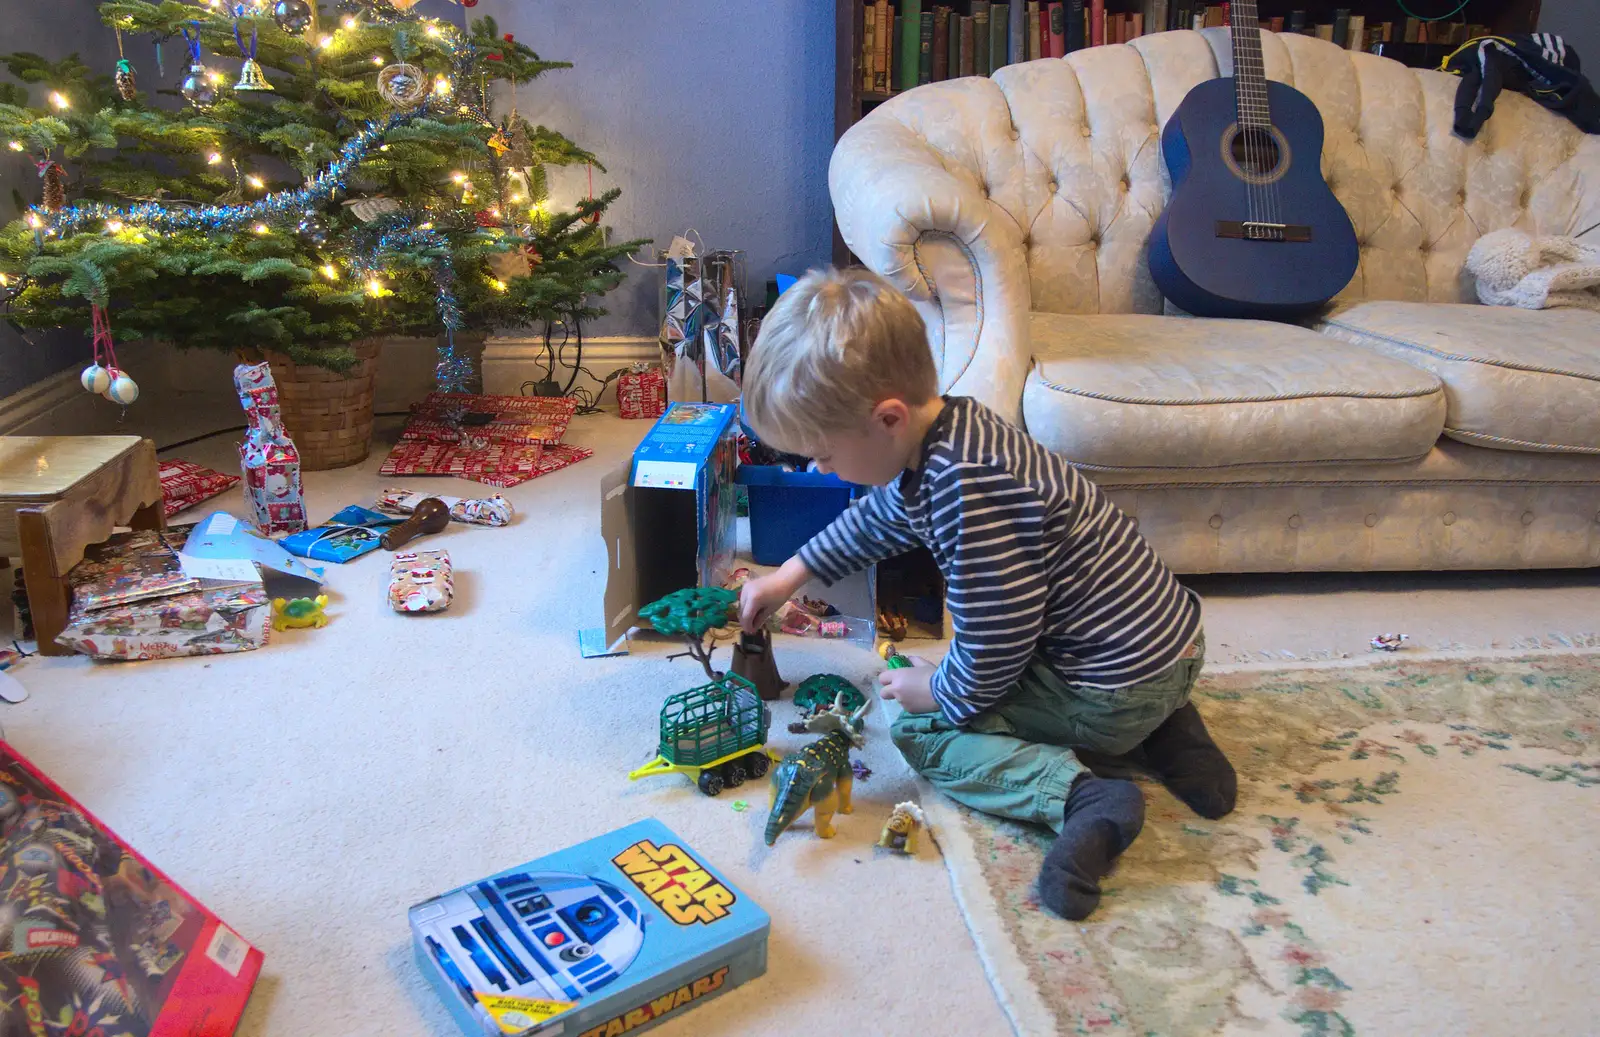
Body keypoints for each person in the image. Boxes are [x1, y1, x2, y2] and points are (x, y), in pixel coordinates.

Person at [737, 268, 1237, 920]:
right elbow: (881, 518)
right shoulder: (958, 432)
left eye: (824, 455)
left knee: (917, 726)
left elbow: (996, 644)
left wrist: (937, 690)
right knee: (989, 670)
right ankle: (1170, 728)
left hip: (1111, 686)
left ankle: (1083, 796)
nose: (819, 470)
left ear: (886, 419)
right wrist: (788, 575)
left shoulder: (965, 496)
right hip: (1169, 643)